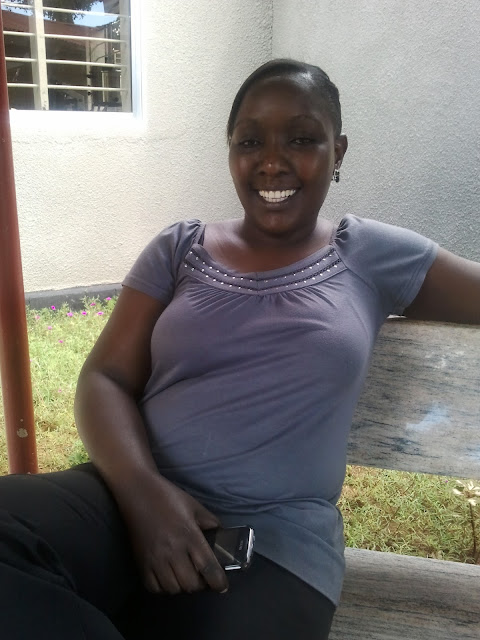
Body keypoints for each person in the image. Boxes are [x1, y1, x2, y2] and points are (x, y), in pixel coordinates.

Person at [0, 59, 479, 640]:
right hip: (126, 499)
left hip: (274, 543)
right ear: (230, 151)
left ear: (338, 151)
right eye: (250, 141)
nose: (272, 161)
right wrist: (144, 495)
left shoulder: (370, 254)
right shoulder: (180, 249)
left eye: (301, 139)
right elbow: (105, 378)